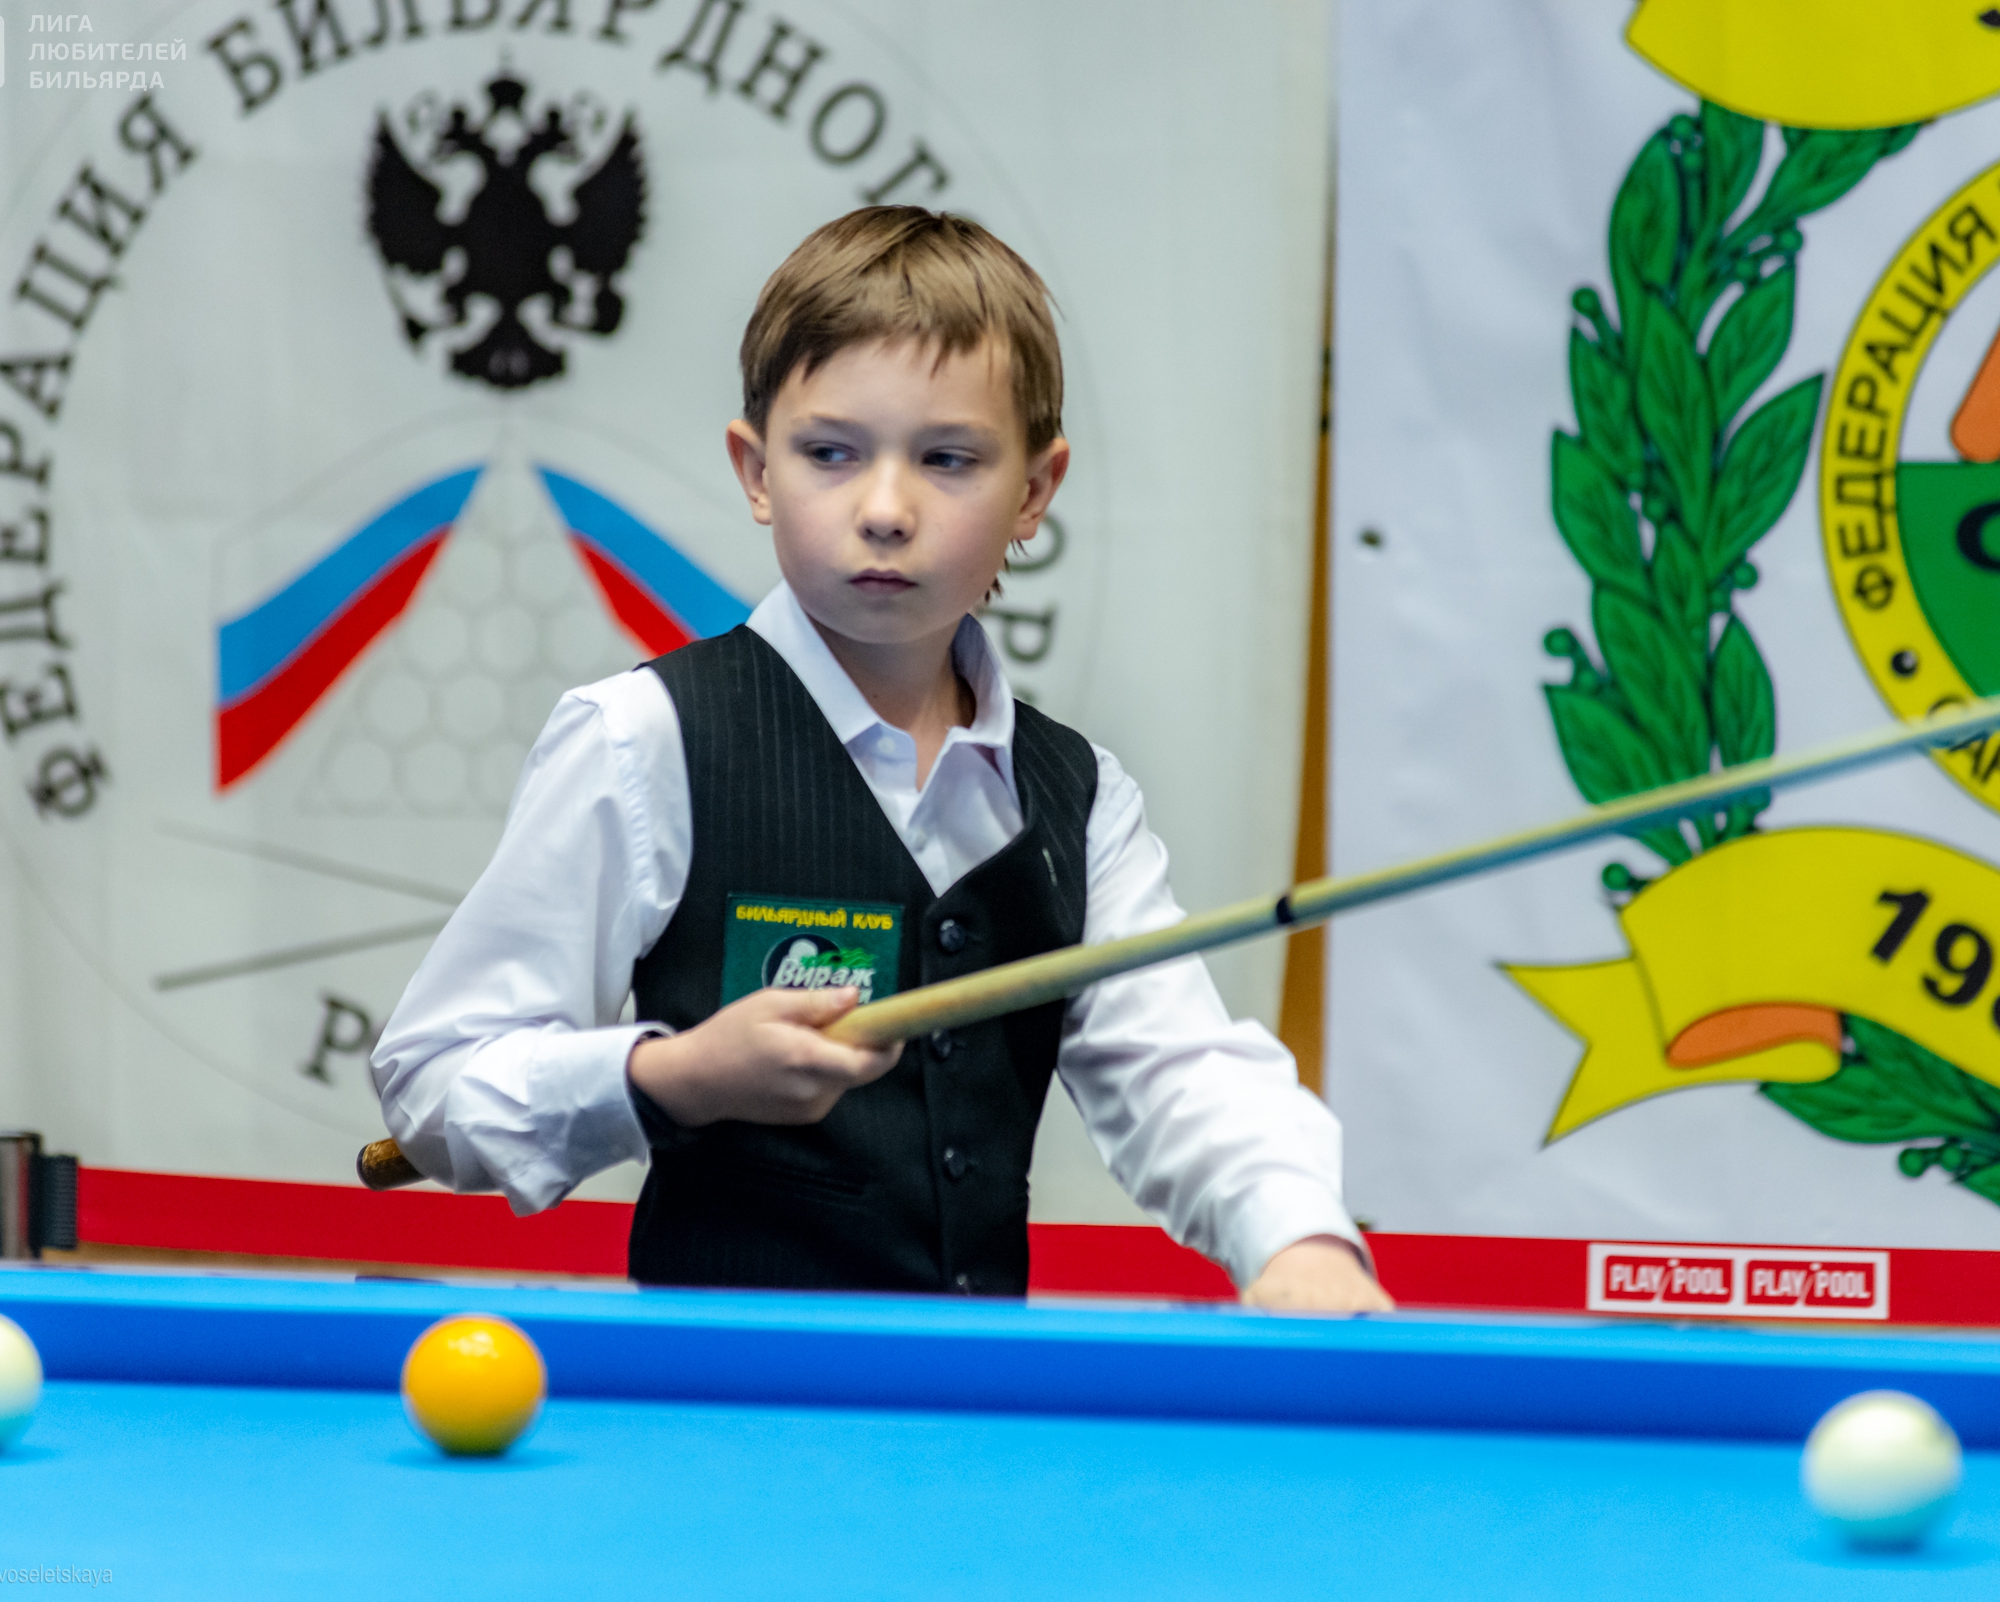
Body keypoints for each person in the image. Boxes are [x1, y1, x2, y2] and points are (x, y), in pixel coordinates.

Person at [372, 207, 1391, 1312]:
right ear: (756, 471)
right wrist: (669, 1075)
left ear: (1033, 493)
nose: (887, 510)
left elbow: (1182, 1071)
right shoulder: (643, 739)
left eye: (949, 460)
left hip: (970, 1403)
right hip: (717, 1398)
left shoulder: (1077, 800)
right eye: (830, 453)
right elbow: (436, 1080)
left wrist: (1303, 1241)